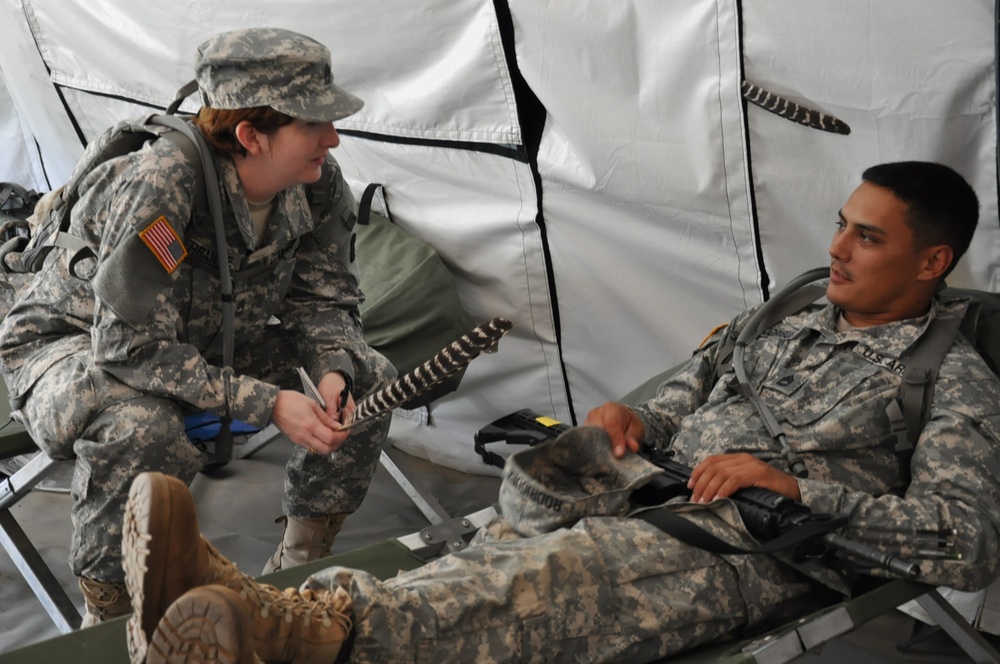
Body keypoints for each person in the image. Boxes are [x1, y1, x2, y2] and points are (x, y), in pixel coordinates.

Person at [121, 161, 1000, 663]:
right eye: (843, 224)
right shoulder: (790, 313)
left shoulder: (948, 378)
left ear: (932, 263)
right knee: (495, 544)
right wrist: (638, 415)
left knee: (543, 584)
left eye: (868, 238)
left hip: (750, 541)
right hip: (635, 482)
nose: (837, 249)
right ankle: (261, 607)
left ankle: (291, 634)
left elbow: (965, 541)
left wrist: (797, 490)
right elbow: (694, 385)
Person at [0, 27, 396, 626]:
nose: (332, 138)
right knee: (142, 428)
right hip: (73, 346)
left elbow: (325, 299)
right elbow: (127, 346)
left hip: (202, 342)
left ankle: (294, 571)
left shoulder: (316, 186)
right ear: (250, 135)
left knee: (368, 375)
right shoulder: (162, 183)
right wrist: (267, 402)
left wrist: (331, 367)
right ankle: (112, 616)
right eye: (313, 124)